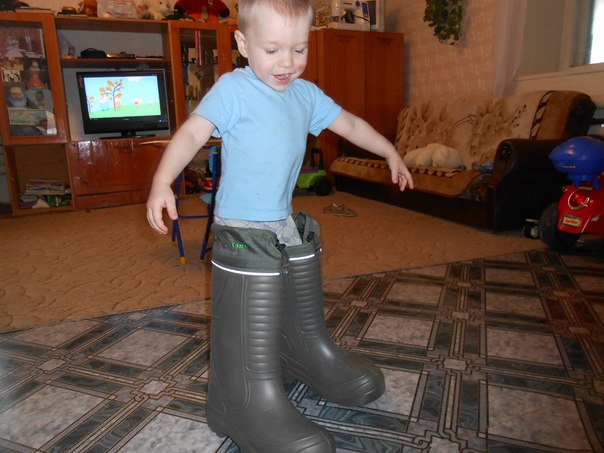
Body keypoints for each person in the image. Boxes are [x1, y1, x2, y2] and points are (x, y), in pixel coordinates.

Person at [146, 0, 413, 451]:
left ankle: (301, 354)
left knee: (301, 251)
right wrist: (161, 181)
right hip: (240, 226)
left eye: (298, 49)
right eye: (272, 50)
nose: (287, 62)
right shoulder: (234, 89)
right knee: (253, 288)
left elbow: (349, 124)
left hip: (280, 219)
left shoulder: (305, 95)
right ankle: (239, 400)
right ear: (243, 44)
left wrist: (389, 150)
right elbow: (192, 132)